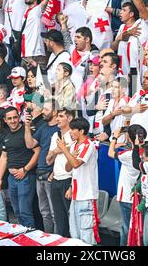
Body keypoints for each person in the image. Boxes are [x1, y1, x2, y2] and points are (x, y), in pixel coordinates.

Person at [56, 117, 100, 245]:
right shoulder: (75, 145)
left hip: (86, 195)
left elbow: (75, 164)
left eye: (73, 129)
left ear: (81, 131)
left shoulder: (88, 145)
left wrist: (64, 149)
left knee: (86, 234)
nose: (70, 132)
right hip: (76, 194)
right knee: (74, 233)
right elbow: (68, 167)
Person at [0, 106, 41, 228]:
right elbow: (4, 157)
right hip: (12, 178)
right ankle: (23, 237)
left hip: (25, 176)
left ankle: (31, 238)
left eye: (15, 117)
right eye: (9, 118)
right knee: (16, 211)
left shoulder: (27, 131)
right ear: (5, 120)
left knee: (25, 211)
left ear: (19, 117)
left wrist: (25, 169)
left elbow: (38, 151)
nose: (13, 121)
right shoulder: (6, 134)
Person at [24, 99, 59, 233]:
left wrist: (54, 173)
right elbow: (30, 144)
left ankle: (57, 241)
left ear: (55, 112)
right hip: (40, 173)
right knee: (45, 212)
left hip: (52, 174)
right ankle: (48, 239)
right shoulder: (43, 127)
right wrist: (27, 127)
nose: (43, 112)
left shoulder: (59, 129)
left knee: (55, 213)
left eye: (46, 109)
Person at [108, 125, 144, 246]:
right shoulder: (147, 152)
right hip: (142, 196)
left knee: (126, 227)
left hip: (127, 196)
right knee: (139, 228)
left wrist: (115, 138)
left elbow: (110, 153)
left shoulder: (127, 155)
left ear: (129, 138)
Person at [46, 108, 75, 237]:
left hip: (68, 179)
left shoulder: (74, 135)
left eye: (61, 116)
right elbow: (48, 160)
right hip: (56, 179)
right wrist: (57, 150)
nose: (57, 119)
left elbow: (76, 160)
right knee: (58, 216)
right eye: (57, 116)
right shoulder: (55, 135)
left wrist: (71, 186)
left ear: (69, 119)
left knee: (70, 216)